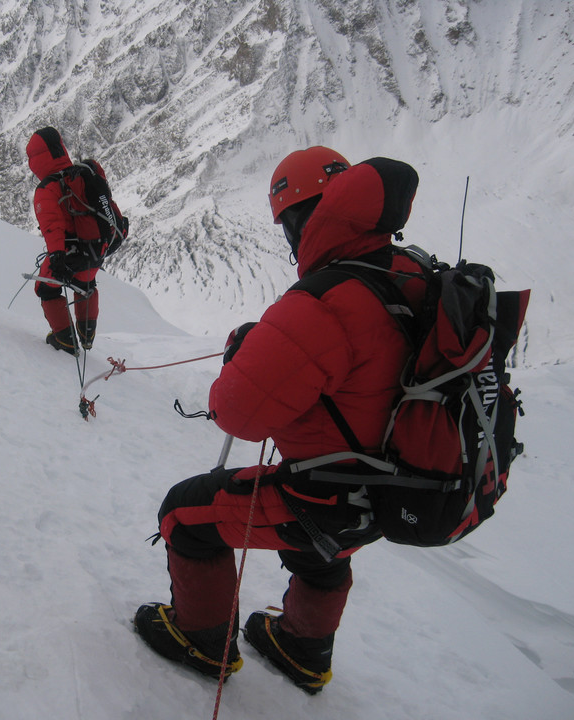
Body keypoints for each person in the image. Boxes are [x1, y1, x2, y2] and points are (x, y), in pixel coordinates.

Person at [133, 147, 424, 694]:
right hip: (396, 492)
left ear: (301, 218)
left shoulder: (327, 297)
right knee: (322, 549)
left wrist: (248, 356)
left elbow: (237, 411)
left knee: (186, 513)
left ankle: (202, 641)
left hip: (326, 497)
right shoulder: (414, 275)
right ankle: (302, 650)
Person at [25, 127, 127, 354]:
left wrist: (57, 256)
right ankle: (87, 336)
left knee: (46, 288)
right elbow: (107, 206)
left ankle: (65, 340)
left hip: (70, 254)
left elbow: (53, 227)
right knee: (86, 286)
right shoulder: (83, 174)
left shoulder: (48, 188)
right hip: (98, 249)